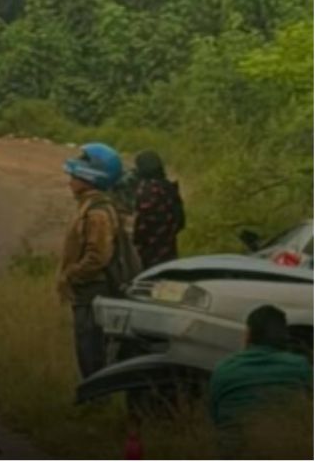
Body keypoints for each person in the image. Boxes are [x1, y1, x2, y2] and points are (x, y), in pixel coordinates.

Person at [57, 142, 124, 378]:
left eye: (75, 175)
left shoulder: (97, 212)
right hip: (87, 288)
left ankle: (96, 396)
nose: (70, 180)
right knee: (86, 345)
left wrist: (72, 274)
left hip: (92, 288)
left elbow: (98, 256)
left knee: (91, 347)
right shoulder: (89, 206)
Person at [209, 305, 312, 453]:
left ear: (248, 335)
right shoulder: (300, 366)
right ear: (284, 336)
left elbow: (215, 417)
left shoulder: (223, 369)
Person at [132, 150, 185, 269]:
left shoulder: (145, 190)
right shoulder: (168, 187)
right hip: (168, 253)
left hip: (148, 255)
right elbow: (180, 221)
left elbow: (138, 229)